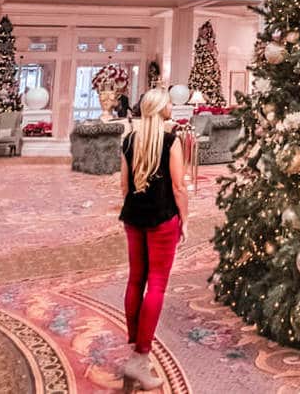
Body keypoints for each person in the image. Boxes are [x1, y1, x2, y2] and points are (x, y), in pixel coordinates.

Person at [118, 88, 188, 390]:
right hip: (162, 219)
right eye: (169, 103)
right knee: (156, 283)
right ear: (161, 109)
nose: (173, 106)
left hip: (134, 217)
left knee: (136, 280)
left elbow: (124, 186)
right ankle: (139, 357)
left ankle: (134, 345)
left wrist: (135, 208)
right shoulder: (171, 141)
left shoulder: (130, 140)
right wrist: (185, 220)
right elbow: (178, 186)